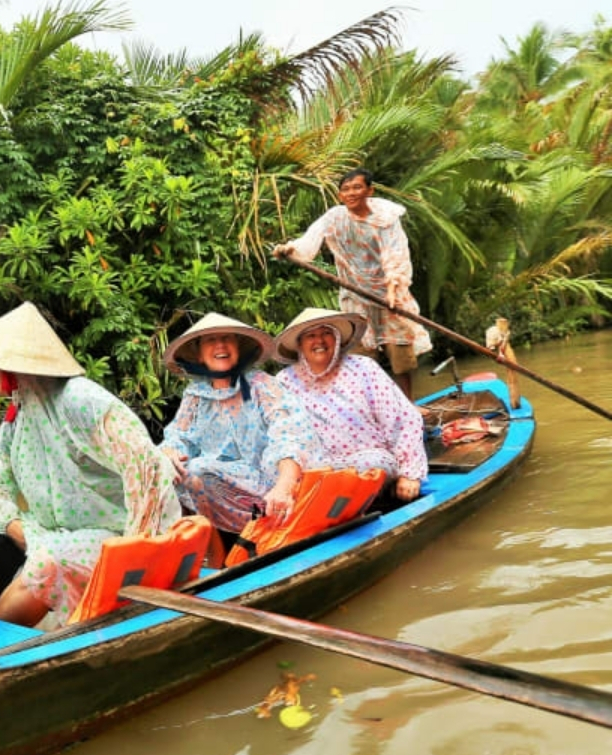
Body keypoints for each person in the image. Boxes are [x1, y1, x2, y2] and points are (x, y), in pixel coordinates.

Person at [0, 302, 182, 627]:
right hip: (54, 530)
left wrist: (133, 547)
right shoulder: (17, 417)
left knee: (49, 561)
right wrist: (22, 531)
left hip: (119, 532)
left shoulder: (80, 397)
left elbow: (144, 464)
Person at [272, 168, 432, 398]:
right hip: (355, 292)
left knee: (400, 355)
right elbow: (310, 240)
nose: (351, 193)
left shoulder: (385, 218)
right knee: (362, 354)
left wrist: (392, 291)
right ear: (339, 195)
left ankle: (409, 404)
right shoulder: (335, 217)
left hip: (389, 294)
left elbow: (394, 254)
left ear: (369, 190)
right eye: (345, 189)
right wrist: (290, 249)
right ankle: (371, 406)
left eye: (357, 187)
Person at [159, 312, 320, 535]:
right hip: (236, 497)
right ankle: (217, 548)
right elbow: (179, 437)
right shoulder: (195, 395)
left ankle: (271, 523)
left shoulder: (261, 385)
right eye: (211, 340)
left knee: (198, 469)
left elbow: (289, 433)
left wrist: (284, 486)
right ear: (199, 355)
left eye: (227, 339)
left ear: (238, 347)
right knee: (174, 468)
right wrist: (168, 452)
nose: (220, 346)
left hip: (276, 483)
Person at [275, 308, 427, 502]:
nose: (319, 341)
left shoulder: (363, 368)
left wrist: (409, 474)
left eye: (326, 333)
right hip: (316, 471)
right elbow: (281, 437)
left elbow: (404, 419)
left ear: (337, 338)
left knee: (376, 464)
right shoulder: (285, 381)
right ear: (300, 345)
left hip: (368, 463)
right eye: (311, 336)